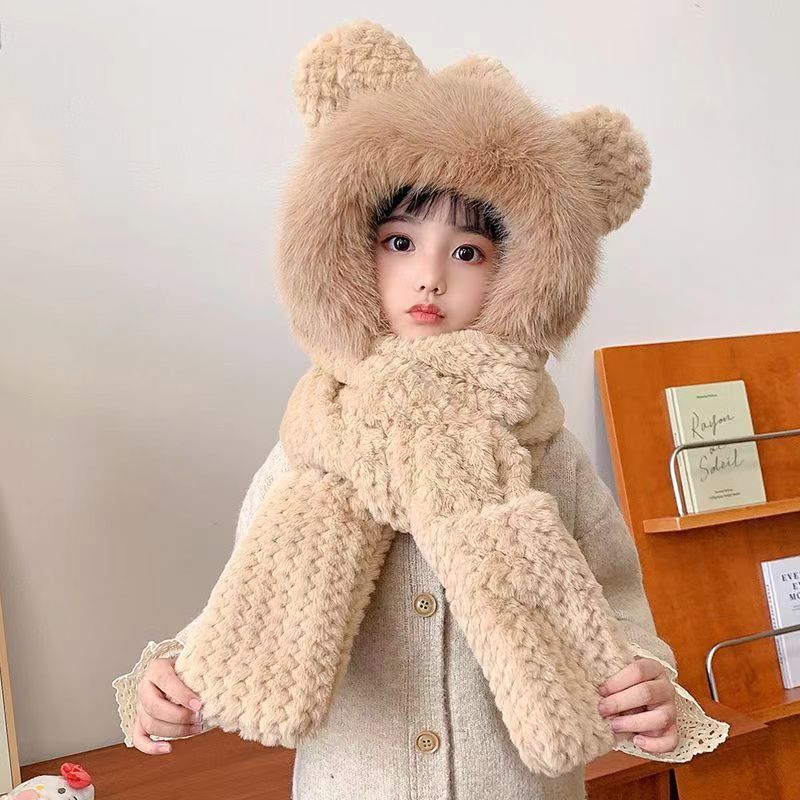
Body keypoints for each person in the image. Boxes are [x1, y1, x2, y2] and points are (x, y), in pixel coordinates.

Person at [112, 20, 729, 800]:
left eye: (467, 252)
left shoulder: (546, 452)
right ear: (348, 245)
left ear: (522, 272)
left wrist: (647, 677)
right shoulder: (309, 445)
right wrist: (171, 675)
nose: (429, 276)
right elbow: (249, 596)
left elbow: (613, 595)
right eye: (400, 243)